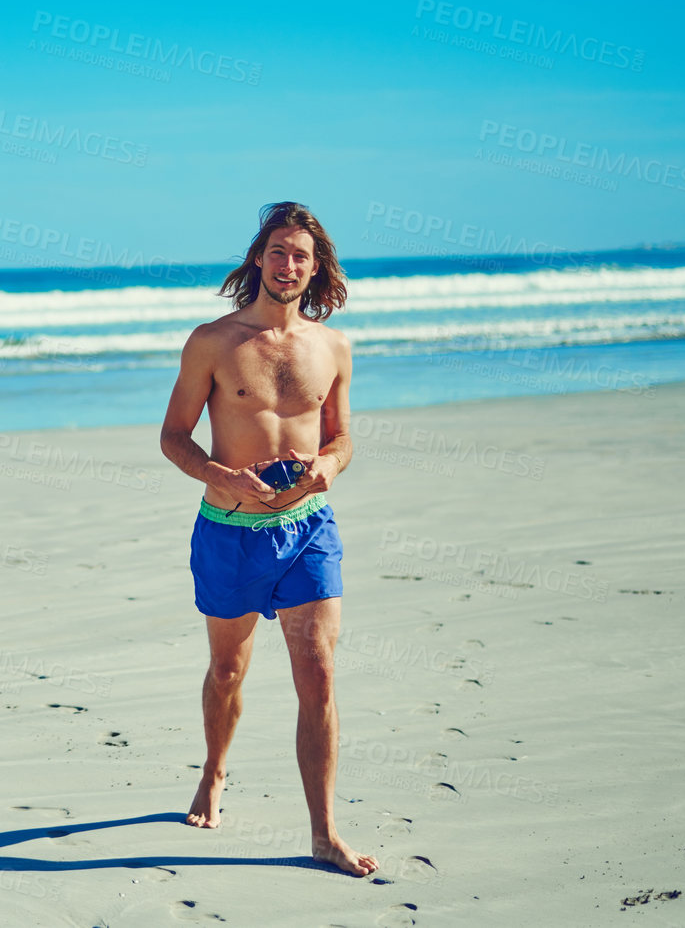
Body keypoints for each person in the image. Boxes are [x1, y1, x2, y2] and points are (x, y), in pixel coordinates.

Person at [158, 201, 378, 877]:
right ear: (259, 257)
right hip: (229, 532)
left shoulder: (331, 345)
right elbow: (172, 436)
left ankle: (323, 832)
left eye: (301, 257)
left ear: (316, 270)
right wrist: (217, 473)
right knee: (227, 670)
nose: (288, 265)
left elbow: (342, 437)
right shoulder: (212, 342)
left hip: (307, 529)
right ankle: (215, 768)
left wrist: (327, 466)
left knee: (317, 674)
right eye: (278, 251)